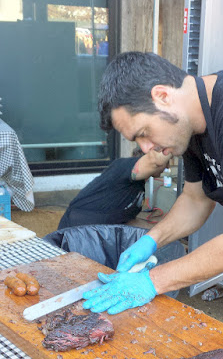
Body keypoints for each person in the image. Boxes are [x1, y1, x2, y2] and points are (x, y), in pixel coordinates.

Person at [83, 51, 223, 315]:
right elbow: (196, 199)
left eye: (144, 133)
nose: (147, 148)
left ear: (163, 96)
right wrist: (151, 240)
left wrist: (154, 280)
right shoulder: (189, 127)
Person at [58, 147, 170, 230]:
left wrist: (160, 231)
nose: (168, 166)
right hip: (76, 232)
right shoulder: (122, 167)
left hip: (102, 232)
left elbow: (126, 221)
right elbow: (154, 162)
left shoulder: (136, 186)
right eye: (166, 162)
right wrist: (173, 143)